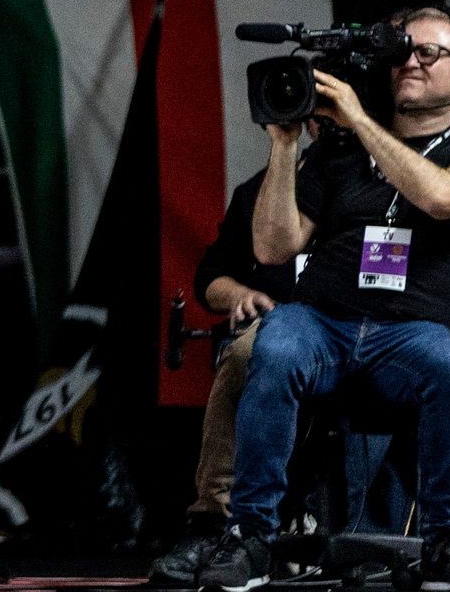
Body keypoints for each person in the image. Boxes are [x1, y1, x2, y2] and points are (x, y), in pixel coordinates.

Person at [199, 7, 450, 592]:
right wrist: (283, 146)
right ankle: (250, 535)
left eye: (429, 53)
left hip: (412, 332)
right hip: (323, 321)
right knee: (275, 345)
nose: (410, 62)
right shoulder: (340, 150)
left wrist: (361, 120)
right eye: (402, 51)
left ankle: (448, 538)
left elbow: (443, 198)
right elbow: (273, 247)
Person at [148, 165, 301, 585]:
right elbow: (211, 277)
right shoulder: (260, 191)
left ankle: (447, 530)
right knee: (248, 352)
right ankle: (215, 523)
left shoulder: (387, 184)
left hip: (371, 325)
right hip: (285, 326)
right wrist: (242, 294)